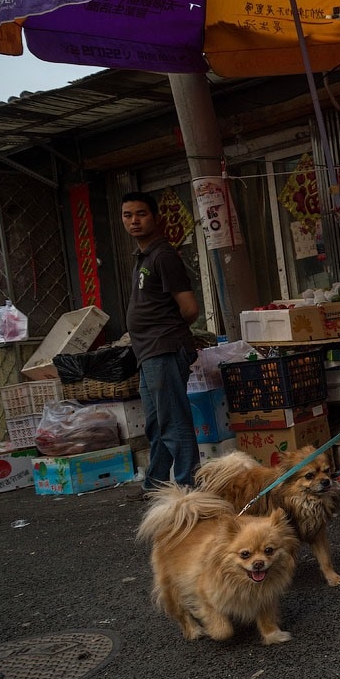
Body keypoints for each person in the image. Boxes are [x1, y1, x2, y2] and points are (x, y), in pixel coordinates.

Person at [120, 191, 201, 500]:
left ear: (156, 218)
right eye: (128, 215)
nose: (134, 220)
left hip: (163, 349)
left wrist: (168, 333)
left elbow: (189, 307)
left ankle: (188, 490)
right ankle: (154, 485)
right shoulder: (143, 257)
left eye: (141, 214)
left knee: (174, 422)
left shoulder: (163, 255)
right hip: (148, 352)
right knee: (156, 423)